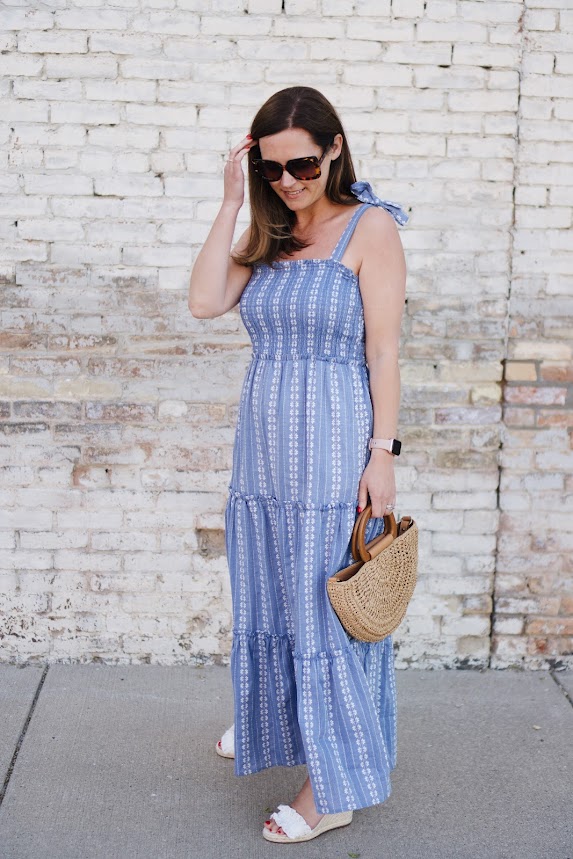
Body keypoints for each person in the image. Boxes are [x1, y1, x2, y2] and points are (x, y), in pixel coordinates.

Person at [189, 85, 409, 844]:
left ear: (334, 149)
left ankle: (332, 789)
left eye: (304, 165)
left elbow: (384, 352)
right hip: (264, 452)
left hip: (331, 448)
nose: (289, 181)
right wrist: (231, 202)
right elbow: (204, 300)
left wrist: (382, 455)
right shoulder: (271, 231)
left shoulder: (370, 228)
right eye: (273, 168)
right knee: (271, 596)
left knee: (322, 612)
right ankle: (277, 721)